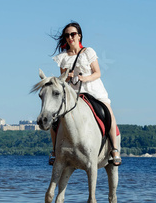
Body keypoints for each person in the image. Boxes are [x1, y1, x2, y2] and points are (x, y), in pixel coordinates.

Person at [49, 21, 121, 166]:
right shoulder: (63, 57)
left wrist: (84, 78)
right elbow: (62, 80)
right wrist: (67, 77)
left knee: (109, 114)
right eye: (67, 35)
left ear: (79, 36)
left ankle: (114, 149)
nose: (70, 37)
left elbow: (97, 73)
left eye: (73, 34)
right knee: (54, 121)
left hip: (93, 90)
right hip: (74, 94)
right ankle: (55, 151)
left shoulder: (88, 52)